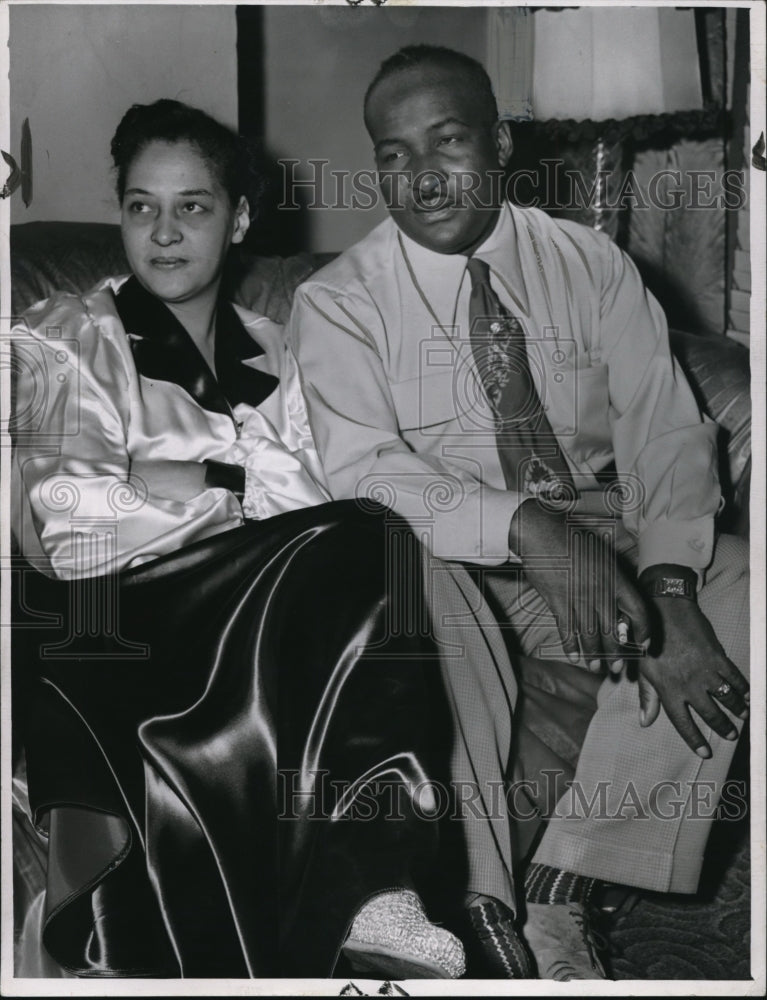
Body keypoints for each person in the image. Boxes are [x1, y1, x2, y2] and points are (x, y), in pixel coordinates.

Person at [8, 97, 520, 980]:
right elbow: (72, 522)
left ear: (239, 217)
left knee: (379, 543)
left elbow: (332, 491)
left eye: (193, 206)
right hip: (107, 625)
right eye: (141, 206)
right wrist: (240, 485)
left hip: (256, 617)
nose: (163, 233)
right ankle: (373, 884)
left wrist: (183, 482)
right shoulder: (66, 338)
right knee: (359, 542)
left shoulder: (289, 353)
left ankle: (380, 888)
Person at [288, 45, 751, 980]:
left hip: (601, 525)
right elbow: (365, 470)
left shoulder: (588, 263)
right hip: (448, 554)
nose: (419, 177)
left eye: (447, 141)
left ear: (498, 142)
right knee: (399, 575)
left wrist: (666, 589)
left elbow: (661, 427)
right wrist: (530, 531)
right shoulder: (337, 303)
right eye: (391, 154)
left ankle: (563, 888)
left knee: (751, 585)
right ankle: (480, 908)